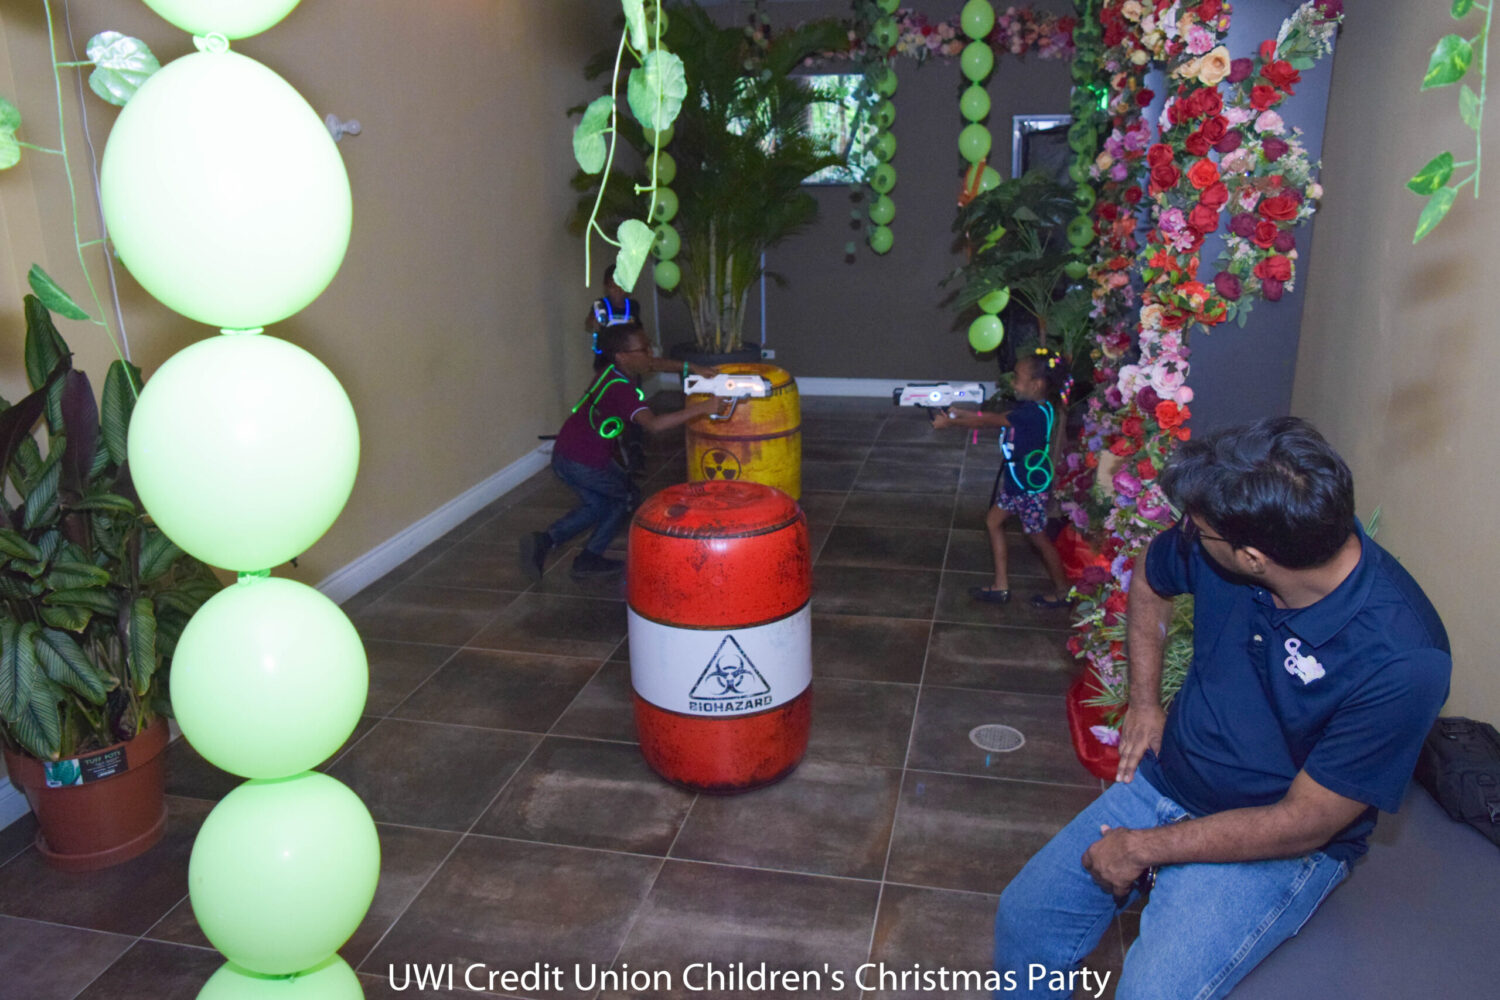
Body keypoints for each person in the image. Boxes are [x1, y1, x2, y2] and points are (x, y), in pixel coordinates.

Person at [992, 417, 1451, 1000]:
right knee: (1026, 922)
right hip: (1168, 779)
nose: (1186, 532)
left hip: (1273, 843)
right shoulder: (1224, 545)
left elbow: (1305, 822)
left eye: (1199, 529)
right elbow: (1150, 578)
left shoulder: (1404, 658)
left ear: (1254, 557)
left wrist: (1140, 847)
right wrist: (1144, 702)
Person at [521, 323, 721, 579]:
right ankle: (586, 557)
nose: (650, 353)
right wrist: (704, 407)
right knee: (623, 500)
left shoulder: (613, 370)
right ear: (622, 355)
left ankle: (547, 542)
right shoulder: (620, 388)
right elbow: (654, 424)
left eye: (649, 346)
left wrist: (691, 367)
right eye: (644, 349)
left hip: (570, 453)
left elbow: (654, 364)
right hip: (583, 460)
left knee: (601, 504)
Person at [932, 348, 1073, 608]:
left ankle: (1063, 591)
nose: (1013, 382)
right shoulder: (1037, 407)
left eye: (1017, 377)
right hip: (1017, 483)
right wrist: (961, 414)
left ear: (1036, 384)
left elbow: (990, 421)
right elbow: (993, 418)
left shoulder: (1031, 414)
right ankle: (1000, 586)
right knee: (993, 521)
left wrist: (950, 423)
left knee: (1039, 538)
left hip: (1028, 489)